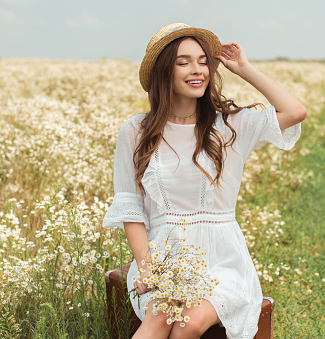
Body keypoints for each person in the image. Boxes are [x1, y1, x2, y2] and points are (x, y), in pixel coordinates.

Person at [102, 23, 307, 339]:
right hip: (163, 258)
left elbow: (295, 111)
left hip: (223, 263)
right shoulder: (135, 131)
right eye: (183, 62)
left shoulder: (230, 127)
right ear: (164, 71)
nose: (197, 69)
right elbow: (130, 208)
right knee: (159, 317)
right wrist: (146, 268)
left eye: (202, 61)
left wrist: (245, 69)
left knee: (189, 323)